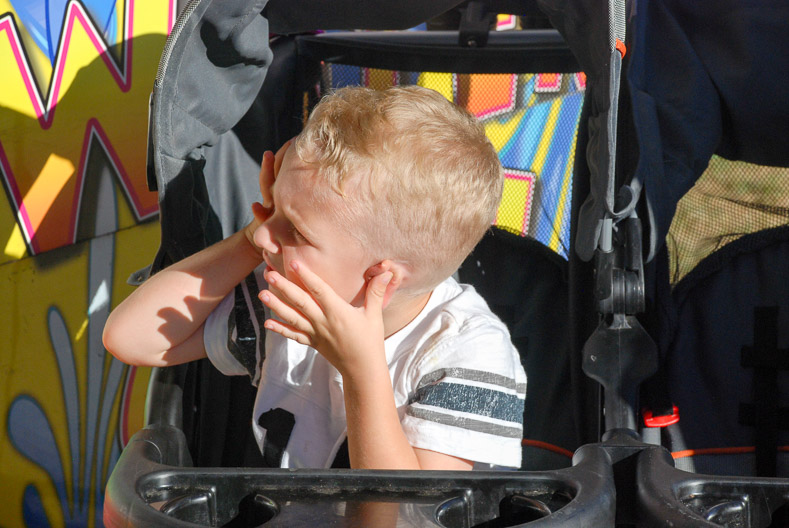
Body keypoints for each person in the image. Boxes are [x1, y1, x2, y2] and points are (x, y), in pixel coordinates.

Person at [103, 85, 526, 471]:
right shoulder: (285, 300)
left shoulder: (466, 352)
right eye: (272, 207)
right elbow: (130, 338)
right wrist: (249, 239)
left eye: (297, 231)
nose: (266, 235)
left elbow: (405, 514)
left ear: (380, 278)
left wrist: (360, 369)